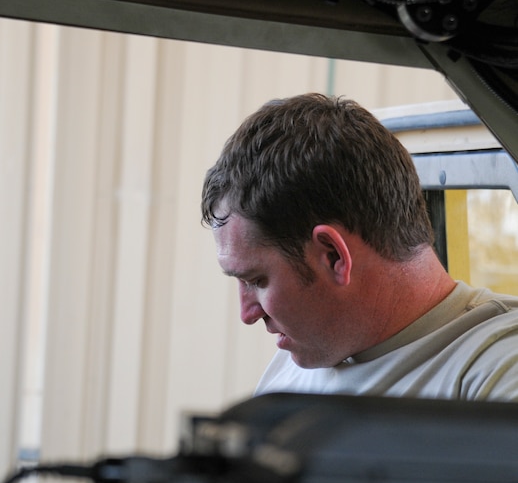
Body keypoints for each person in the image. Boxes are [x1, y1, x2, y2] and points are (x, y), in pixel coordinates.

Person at [201, 92, 518, 401]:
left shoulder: (500, 371)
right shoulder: (301, 356)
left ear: (334, 255)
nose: (248, 314)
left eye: (256, 280)